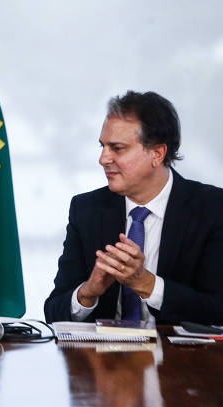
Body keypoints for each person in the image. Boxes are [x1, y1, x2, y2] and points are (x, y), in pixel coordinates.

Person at [45, 91, 223, 324]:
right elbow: (53, 311)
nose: (103, 159)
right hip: (103, 358)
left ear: (157, 154)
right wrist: (88, 293)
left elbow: (217, 309)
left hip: (180, 359)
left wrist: (147, 285)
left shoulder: (211, 208)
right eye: (102, 146)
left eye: (117, 148)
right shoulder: (86, 209)